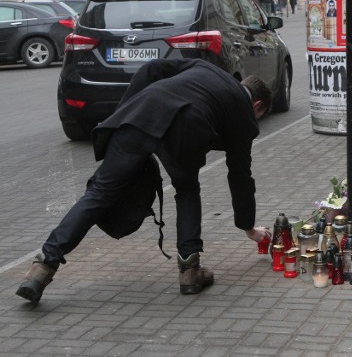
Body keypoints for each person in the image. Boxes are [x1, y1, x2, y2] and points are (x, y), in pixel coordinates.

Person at [15, 59, 273, 304]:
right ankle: (189, 271)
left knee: (99, 194)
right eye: (258, 116)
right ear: (257, 104)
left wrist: (124, 112)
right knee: (187, 190)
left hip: (141, 114)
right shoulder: (243, 114)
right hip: (187, 129)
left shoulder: (205, 67)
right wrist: (248, 227)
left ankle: (43, 266)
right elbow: (240, 176)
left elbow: (151, 69)